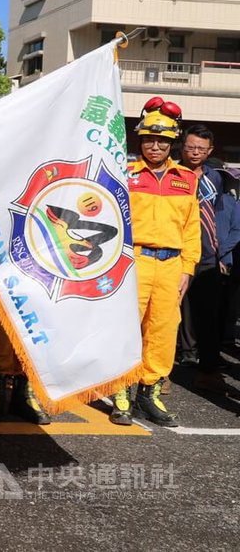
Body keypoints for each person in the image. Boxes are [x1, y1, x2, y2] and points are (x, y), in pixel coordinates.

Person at [109, 98, 199, 427]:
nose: (155, 145)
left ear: (172, 142)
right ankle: (121, 391)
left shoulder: (187, 179)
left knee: (163, 331)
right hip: (135, 261)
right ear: (140, 141)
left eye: (162, 140)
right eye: (149, 138)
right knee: (126, 328)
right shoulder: (126, 174)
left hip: (172, 265)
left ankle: (150, 392)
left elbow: (192, 229)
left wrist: (188, 268)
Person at [177, 123, 240, 393]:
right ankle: (158, 374)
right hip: (175, 254)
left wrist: (219, 251)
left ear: (210, 150)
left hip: (207, 257)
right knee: (169, 317)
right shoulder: (172, 173)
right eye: (190, 147)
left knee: (209, 317)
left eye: (201, 148)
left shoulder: (214, 178)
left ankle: (209, 371)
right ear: (182, 146)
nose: (195, 152)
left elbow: (217, 216)